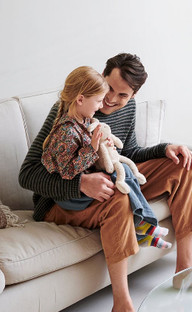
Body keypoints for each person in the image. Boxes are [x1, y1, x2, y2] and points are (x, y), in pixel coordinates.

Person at [19, 54, 192, 312]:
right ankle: (122, 309)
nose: (110, 100)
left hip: (111, 176)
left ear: (132, 96)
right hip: (60, 200)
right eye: (109, 89)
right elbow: (27, 174)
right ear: (102, 77)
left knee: (185, 164)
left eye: (122, 95)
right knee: (118, 195)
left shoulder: (127, 108)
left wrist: (164, 149)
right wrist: (81, 183)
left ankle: (186, 269)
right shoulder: (70, 107)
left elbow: (128, 153)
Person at [41, 66, 171, 250]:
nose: (102, 105)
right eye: (99, 100)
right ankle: (144, 223)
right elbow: (68, 171)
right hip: (68, 196)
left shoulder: (83, 120)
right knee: (120, 186)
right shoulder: (66, 132)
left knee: (124, 172)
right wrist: (93, 149)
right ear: (80, 99)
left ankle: (142, 229)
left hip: (79, 188)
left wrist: (104, 144)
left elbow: (118, 150)